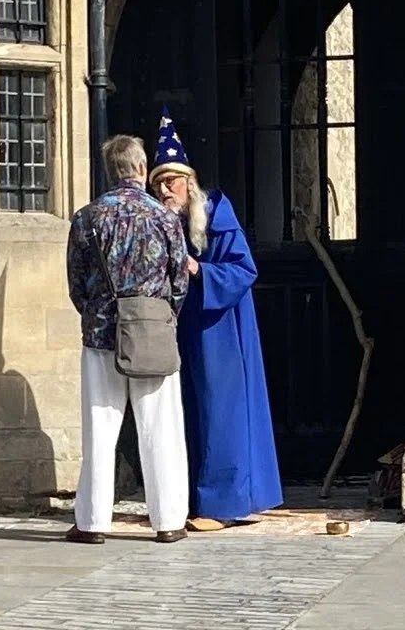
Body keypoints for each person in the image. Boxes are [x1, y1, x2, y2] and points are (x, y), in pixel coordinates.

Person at [149, 109, 283, 532]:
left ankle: (223, 504)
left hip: (221, 330)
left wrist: (198, 271)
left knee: (220, 411)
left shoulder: (216, 215)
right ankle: (193, 499)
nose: (165, 191)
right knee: (188, 412)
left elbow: (244, 271)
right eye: (158, 184)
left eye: (171, 182)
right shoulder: (162, 221)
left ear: (189, 182)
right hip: (184, 330)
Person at [66, 133, 190, 545]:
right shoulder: (166, 218)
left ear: (109, 171)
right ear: (140, 168)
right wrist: (162, 314)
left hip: (103, 330)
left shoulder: (87, 217)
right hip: (153, 327)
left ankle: (93, 522)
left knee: (100, 427)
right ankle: (169, 520)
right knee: (160, 427)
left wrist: (97, 312)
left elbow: (76, 283)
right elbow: (178, 282)